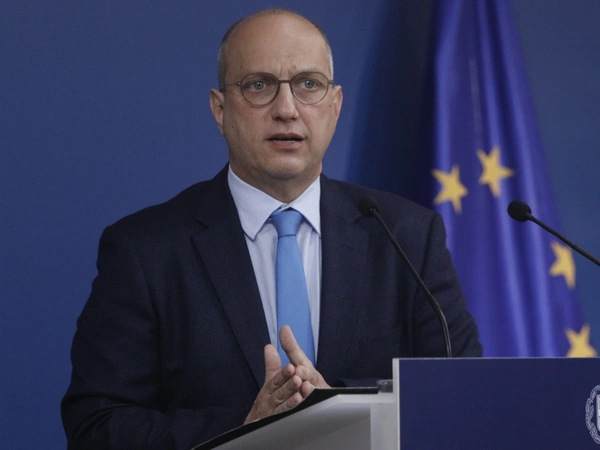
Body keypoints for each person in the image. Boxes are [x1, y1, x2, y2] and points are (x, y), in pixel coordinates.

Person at [61, 8, 482, 449]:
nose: (286, 109)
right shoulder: (146, 251)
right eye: (258, 85)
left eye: (308, 85)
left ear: (335, 106)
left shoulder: (406, 237)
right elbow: (96, 427)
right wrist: (246, 429)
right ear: (220, 109)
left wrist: (342, 415)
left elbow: (466, 402)